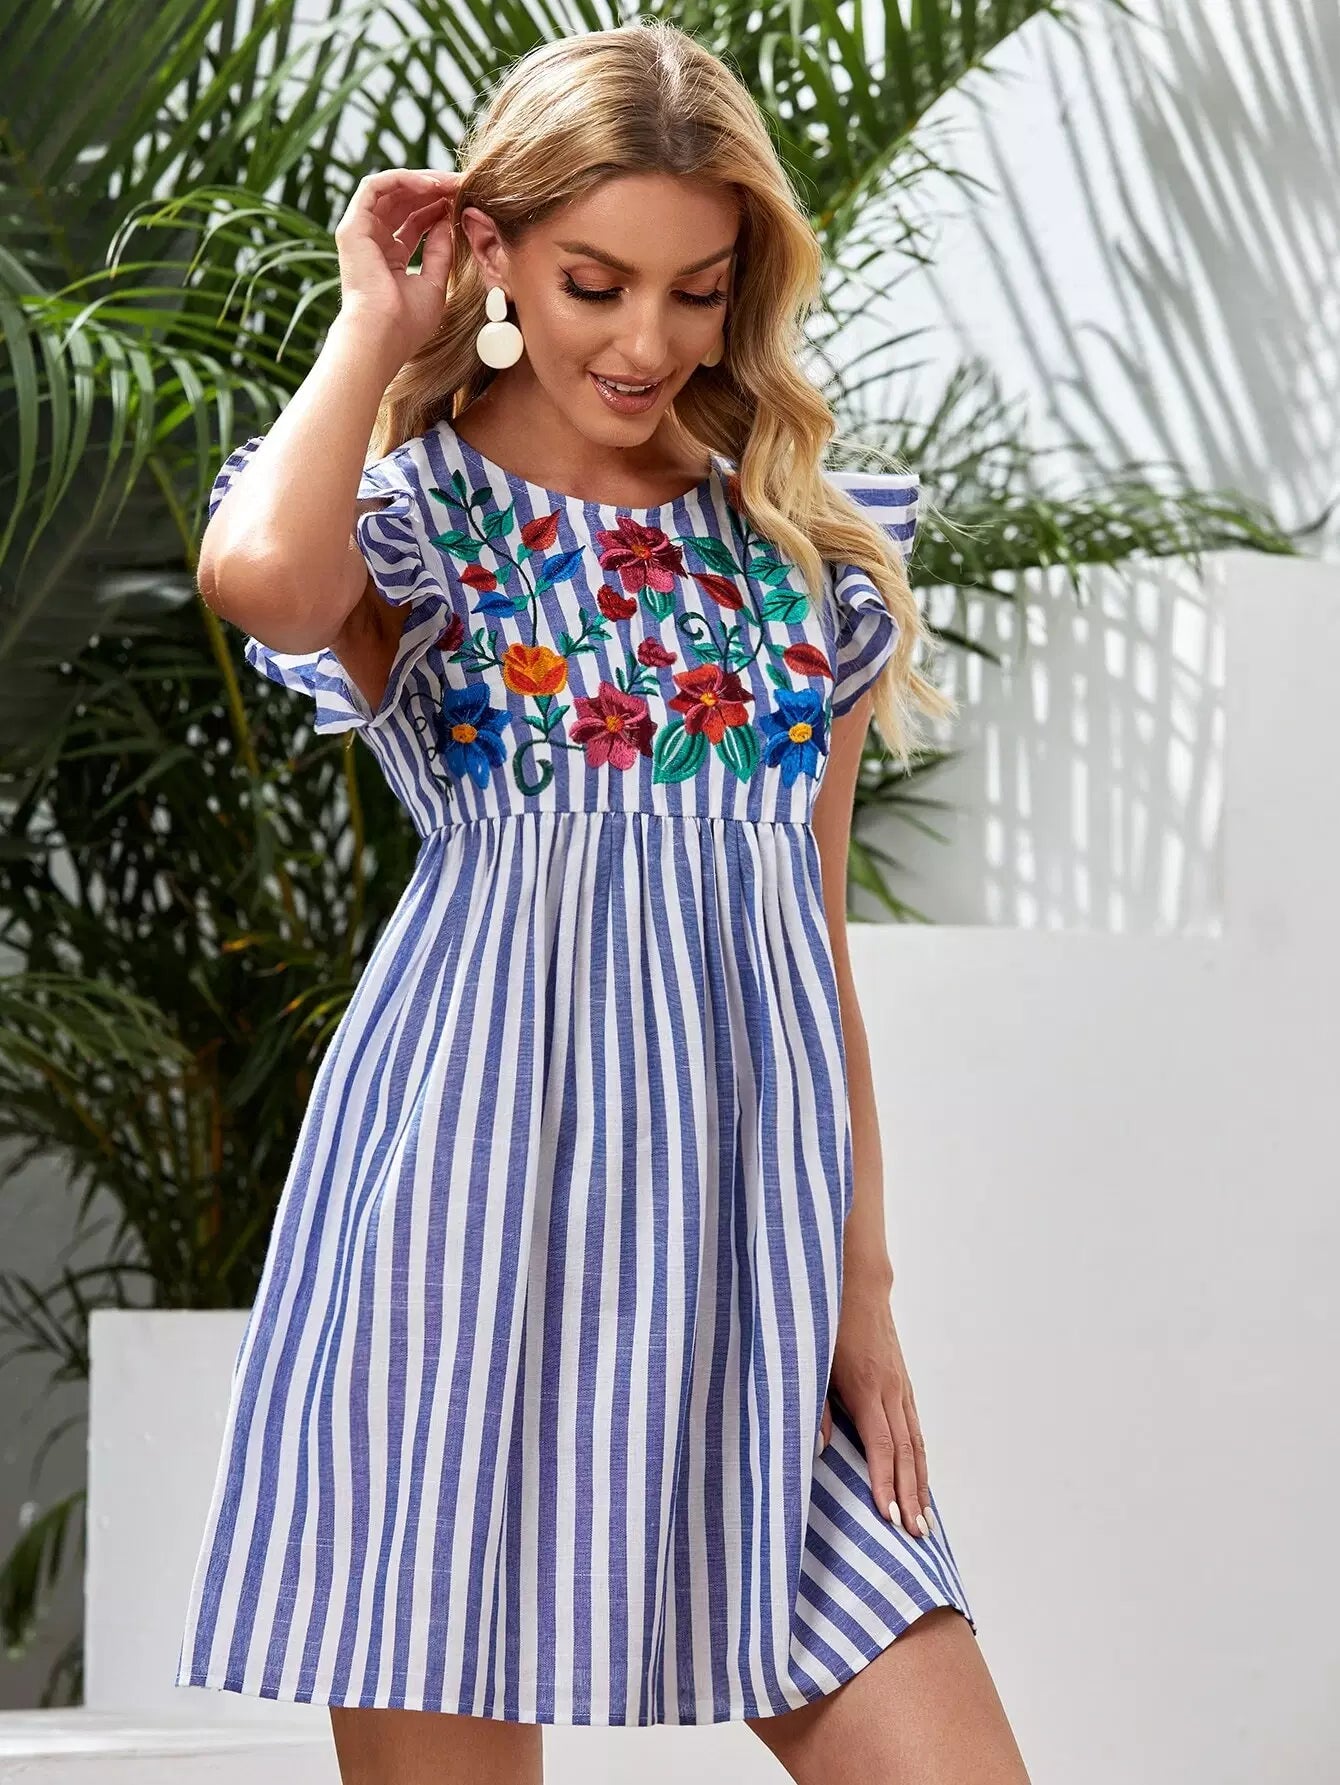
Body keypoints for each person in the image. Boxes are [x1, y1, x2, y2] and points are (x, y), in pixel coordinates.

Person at [174, 19, 1030, 1784]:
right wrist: (368, 325)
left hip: (737, 1260)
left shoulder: (800, 559)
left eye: (696, 291)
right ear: (494, 253)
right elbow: (259, 579)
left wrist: (860, 1288)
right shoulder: (416, 521)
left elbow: (812, 940)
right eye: (594, 283)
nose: (647, 343)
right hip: (459, 1232)